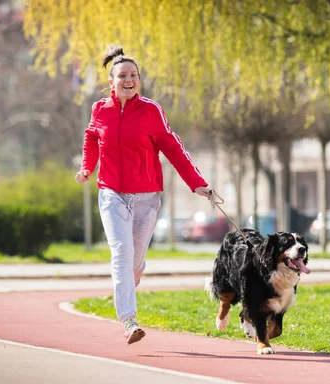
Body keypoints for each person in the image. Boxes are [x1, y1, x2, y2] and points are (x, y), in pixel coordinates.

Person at [75, 44, 212, 345]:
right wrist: (88, 168)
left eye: (134, 75)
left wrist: (197, 183)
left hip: (147, 199)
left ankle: (136, 271)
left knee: (133, 263)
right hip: (111, 194)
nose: (129, 79)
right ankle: (129, 321)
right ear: (111, 81)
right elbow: (90, 137)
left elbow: (173, 147)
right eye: (122, 75)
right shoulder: (100, 110)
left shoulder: (152, 111)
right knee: (121, 254)